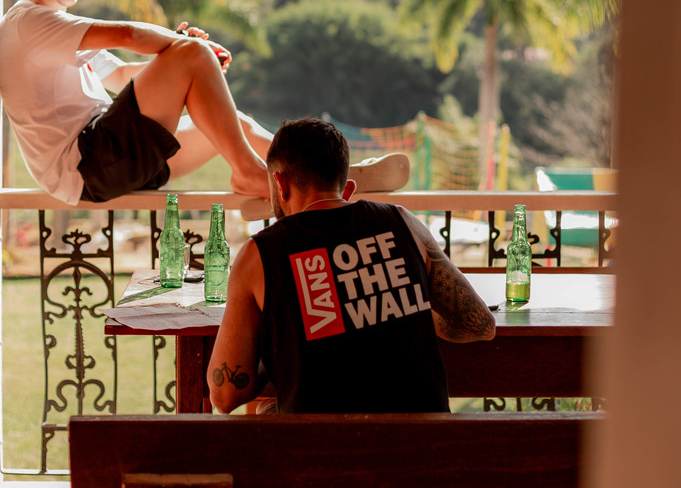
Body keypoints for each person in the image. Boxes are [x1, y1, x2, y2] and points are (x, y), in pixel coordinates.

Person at [208, 118, 496, 414]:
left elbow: (225, 395)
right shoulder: (404, 222)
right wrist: (402, 306)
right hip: (424, 440)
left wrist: (281, 341)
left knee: (264, 412)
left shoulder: (259, 253)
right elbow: (480, 325)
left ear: (280, 185)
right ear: (347, 188)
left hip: (321, 444)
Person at [0, 0, 274, 204]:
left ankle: (303, 173)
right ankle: (247, 172)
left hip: (113, 160)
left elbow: (121, 74)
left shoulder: (54, 29)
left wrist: (188, 63)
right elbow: (127, 35)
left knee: (238, 125)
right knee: (192, 53)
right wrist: (188, 50)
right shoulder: (29, 21)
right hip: (89, 163)